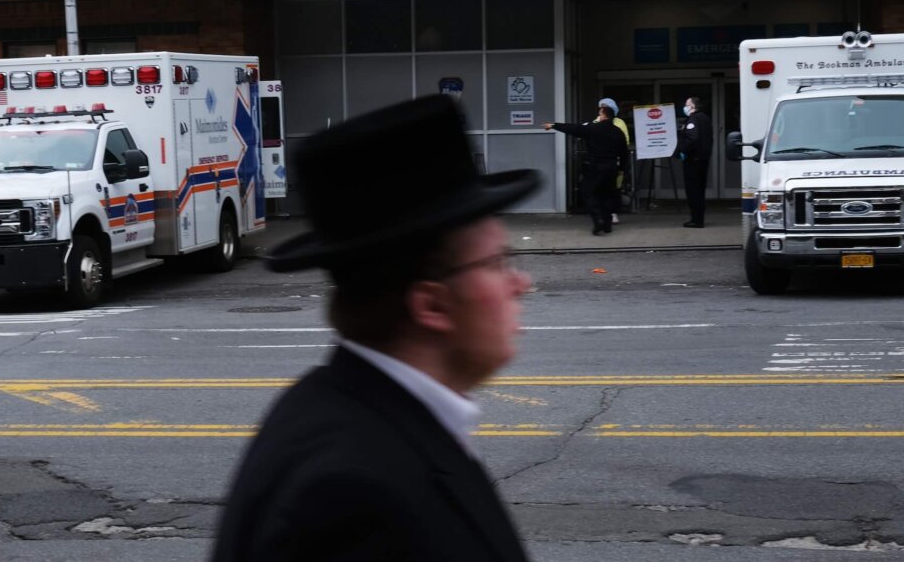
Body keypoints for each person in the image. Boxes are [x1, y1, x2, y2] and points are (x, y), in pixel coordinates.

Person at [211, 94, 539, 562]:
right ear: (433, 305)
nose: (520, 283)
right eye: (498, 262)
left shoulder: (336, 408)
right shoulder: (358, 497)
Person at [544, 106, 628, 235]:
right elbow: (624, 153)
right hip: (611, 167)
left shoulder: (593, 128)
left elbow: (574, 128)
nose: (598, 116)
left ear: (605, 115)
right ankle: (607, 224)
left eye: (600, 113)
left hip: (596, 166)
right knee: (607, 195)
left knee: (589, 193)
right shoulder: (618, 132)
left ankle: (597, 218)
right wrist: (622, 168)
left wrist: (554, 125)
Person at [675, 95, 713, 228]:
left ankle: (696, 220)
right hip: (703, 160)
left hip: (693, 161)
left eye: (686, 104)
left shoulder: (693, 119)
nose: (684, 107)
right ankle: (699, 218)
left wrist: (683, 151)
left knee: (693, 191)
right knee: (700, 190)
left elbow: (693, 138)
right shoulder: (705, 118)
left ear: (692, 107)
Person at [598, 97, 630, 224]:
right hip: (600, 160)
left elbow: (625, 141)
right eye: (601, 106)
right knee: (601, 188)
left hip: (614, 160)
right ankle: (602, 213)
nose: (602, 109)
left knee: (614, 188)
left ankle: (613, 212)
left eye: (604, 107)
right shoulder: (596, 121)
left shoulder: (619, 123)